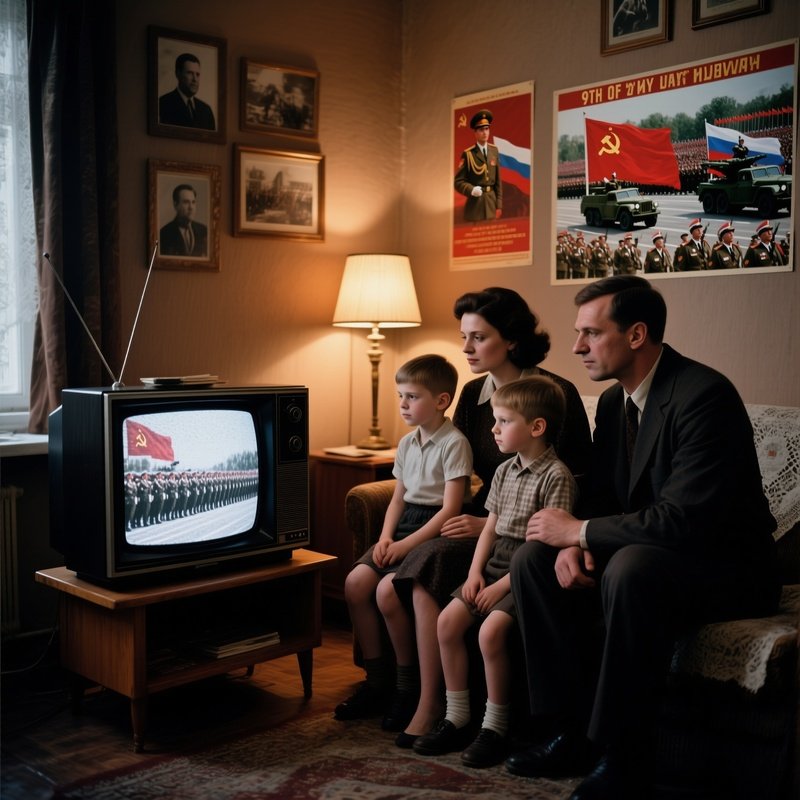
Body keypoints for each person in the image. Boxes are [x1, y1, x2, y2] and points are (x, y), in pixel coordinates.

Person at [505, 275, 780, 799]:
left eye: (590, 332)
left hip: (726, 568)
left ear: (636, 335)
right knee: (534, 558)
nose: (576, 347)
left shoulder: (704, 395)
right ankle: (568, 731)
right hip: (654, 556)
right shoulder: (613, 402)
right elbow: (608, 495)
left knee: (632, 568)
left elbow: (685, 520)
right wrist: (573, 544)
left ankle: (624, 754)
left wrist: (582, 531)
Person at [382, 287, 591, 749]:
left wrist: (484, 525)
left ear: (511, 340)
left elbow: (577, 480)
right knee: (416, 566)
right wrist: (475, 519)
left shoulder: (557, 393)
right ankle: (428, 699)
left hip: (531, 529)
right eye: (464, 337)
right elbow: (462, 467)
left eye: (478, 338)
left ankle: (444, 708)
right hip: (488, 516)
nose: (466, 349)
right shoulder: (475, 392)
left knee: (428, 558)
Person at [412, 376, 577, 768]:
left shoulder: (557, 476)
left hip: (529, 570)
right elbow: (489, 527)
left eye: (503, 421)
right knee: (447, 622)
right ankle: (457, 716)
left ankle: (495, 726)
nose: (493, 429)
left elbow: (543, 548)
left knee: (490, 631)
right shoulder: (503, 472)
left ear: (536, 427)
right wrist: (473, 574)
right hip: (495, 562)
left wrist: (501, 585)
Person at [334, 354, 473, 729]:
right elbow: (398, 497)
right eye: (400, 396)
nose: (403, 405)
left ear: (442, 401)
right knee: (355, 583)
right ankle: (376, 681)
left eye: (412, 396)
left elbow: (450, 510)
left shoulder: (454, 443)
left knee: (385, 591)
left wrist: (406, 545)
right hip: (403, 524)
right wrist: (384, 537)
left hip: (434, 527)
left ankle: (406, 686)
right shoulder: (407, 443)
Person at [454, 110, 503, 222]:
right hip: (475, 205)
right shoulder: (468, 154)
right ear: (475, 133)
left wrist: (498, 205)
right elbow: (458, 182)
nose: (485, 133)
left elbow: (497, 181)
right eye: (481, 130)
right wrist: (471, 190)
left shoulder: (494, 151)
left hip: (491, 203)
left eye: (487, 129)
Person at [158, 53, 216, 130]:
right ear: (178, 74)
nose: (195, 79)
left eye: (197, 74)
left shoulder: (206, 110)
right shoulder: (163, 104)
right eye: (190, 73)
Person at [159, 184, 208, 258]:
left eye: (193, 202)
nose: (191, 207)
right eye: (186, 202)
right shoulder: (164, 233)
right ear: (176, 205)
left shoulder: (203, 230)